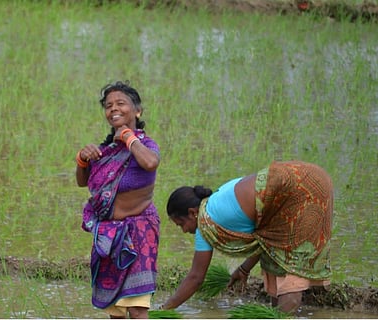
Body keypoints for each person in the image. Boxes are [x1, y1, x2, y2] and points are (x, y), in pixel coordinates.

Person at [161, 160, 333, 314]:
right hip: (306, 176)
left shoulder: (205, 222)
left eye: (180, 224)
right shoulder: (215, 201)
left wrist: (162, 310)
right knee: (275, 267)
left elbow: (196, 278)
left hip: (300, 192)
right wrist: (244, 269)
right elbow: (264, 239)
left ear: (192, 213)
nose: (183, 230)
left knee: (289, 273)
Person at [76, 81, 161, 319]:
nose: (114, 108)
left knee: (136, 306)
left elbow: (151, 163)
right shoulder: (107, 151)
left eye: (121, 103)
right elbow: (84, 182)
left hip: (138, 231)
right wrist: (82, 160)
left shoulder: (146, 145)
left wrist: (128, 137)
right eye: (108, 105)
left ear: (137, 111)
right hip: (109, 235)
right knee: (115, 308)